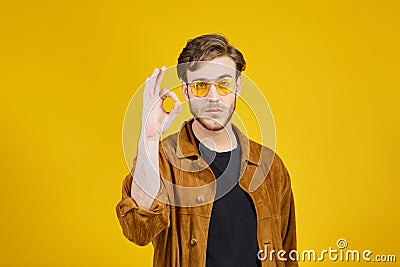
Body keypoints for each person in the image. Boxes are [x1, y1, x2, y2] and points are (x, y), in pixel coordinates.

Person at [116, 34, 298, 267]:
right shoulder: (161, 158)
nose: (213, 97)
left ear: (238, 88)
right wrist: (150, 137)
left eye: (224, 85)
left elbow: (288, 255)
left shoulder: (270, 166)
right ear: (186, 90)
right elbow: (138, 231)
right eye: (201, 86)